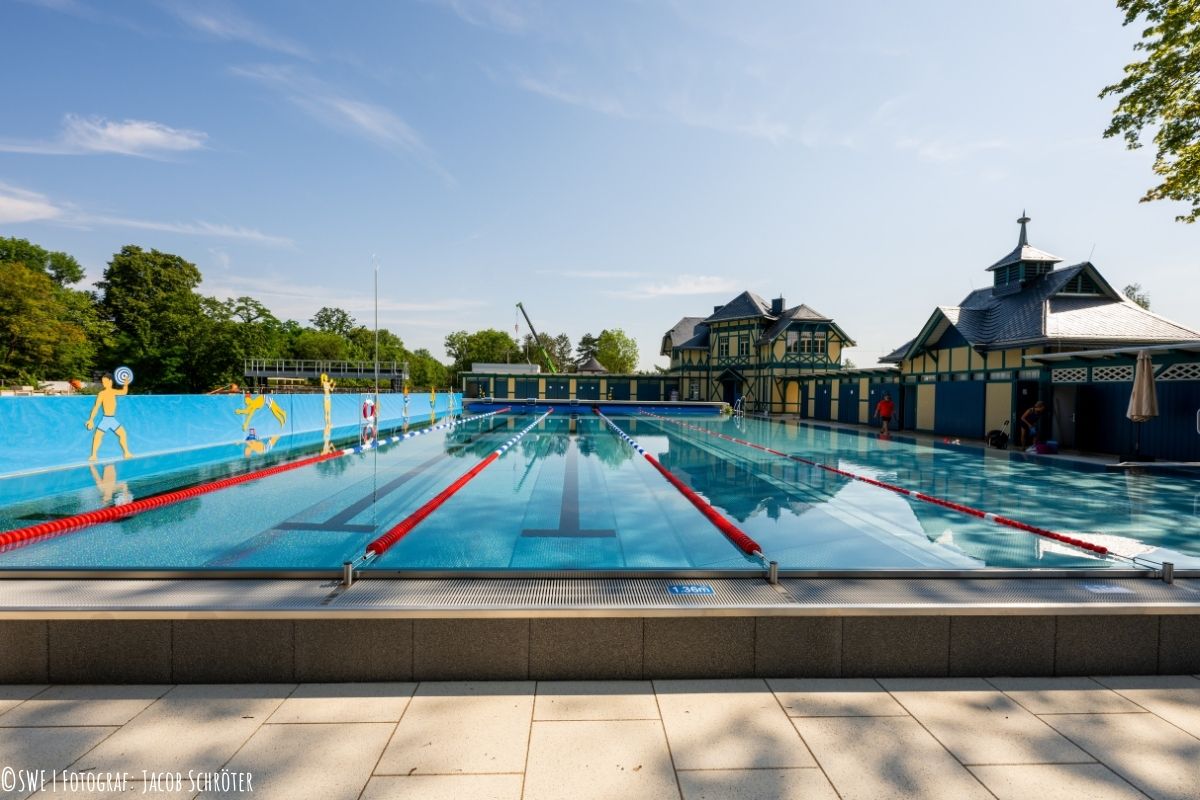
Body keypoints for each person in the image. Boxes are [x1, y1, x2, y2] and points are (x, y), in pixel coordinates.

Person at [85, 373, 133, 460]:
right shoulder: (102, 393)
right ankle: (94, 455)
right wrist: (91, 420)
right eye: (103, 382)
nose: (103, 383)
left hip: (112, 419)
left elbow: (124, 392)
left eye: (105, 381)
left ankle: (126, 452)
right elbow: (96, 407)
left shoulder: (113, 391)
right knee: (97, 436)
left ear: (110, 382)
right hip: (106, 419)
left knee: (122, 434)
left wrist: (125, 384)